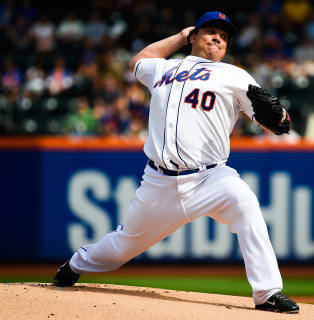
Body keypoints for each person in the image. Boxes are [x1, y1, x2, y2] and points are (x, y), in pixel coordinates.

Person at [52, 11, 299, 314]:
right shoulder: (164, 68)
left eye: (224, 36)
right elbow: (138, 61)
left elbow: (271, 120)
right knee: (121, 247)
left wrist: (281, 120)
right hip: (160, 183)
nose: (218, 38)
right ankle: (75, 263)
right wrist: (180, 37)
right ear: (193, 36)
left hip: (212, 178)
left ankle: (267, 293)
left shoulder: (235, 76)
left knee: (245, 203)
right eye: (210, 31)